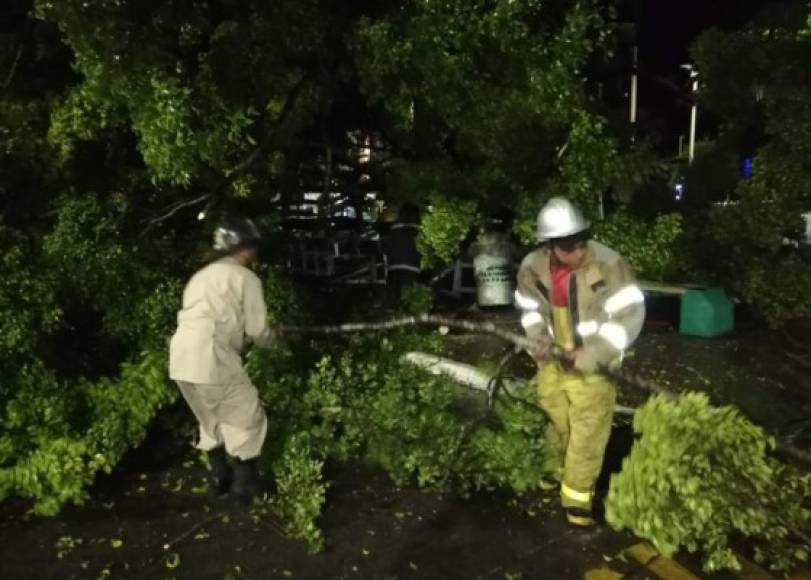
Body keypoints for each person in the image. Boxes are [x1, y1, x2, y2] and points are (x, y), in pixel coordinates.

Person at [515, 197, 645, 527]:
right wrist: (536, 337)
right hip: (553, 362)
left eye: (580, 242)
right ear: (551, 246)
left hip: (594, 368)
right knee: (556, 418)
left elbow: (631, 314)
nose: (578, 252)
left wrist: (597, 351)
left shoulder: (610, 264)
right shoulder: (533, 267)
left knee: (587, 430)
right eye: (568, 247)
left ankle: (576, 497)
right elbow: (528, 308)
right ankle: (553, 468)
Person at [169, 217, 278, 503]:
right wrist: (278, 345)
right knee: (247, 413)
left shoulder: (201, 276)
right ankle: (244, 487)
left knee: (210, 416)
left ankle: (219, 478)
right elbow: (258, 332)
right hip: (212, 357)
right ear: (246, 247)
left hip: (181, 358)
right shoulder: (247, 278)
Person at [381, 203, 421, 309]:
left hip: (393, 268)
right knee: (407, 301)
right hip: (412, 269)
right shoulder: (419, 230)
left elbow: (385, 248)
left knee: (392, 300)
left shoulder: (393, 229)